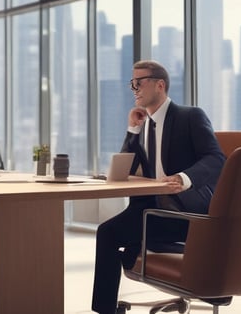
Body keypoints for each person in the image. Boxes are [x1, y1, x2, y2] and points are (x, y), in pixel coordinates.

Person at [91, 60, 225, 314]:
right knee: (111, 235)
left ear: (160, 85)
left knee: (109, 235)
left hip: (183, 211)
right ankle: (108, 307)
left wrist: (184, 178)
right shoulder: (142, 124)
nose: (134, 89)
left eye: (138, 83)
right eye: (131, 84)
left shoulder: (190, 116)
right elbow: (128, 169)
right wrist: (132, 129)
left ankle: (106, 309)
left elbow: (217, 159)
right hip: (150, 209)